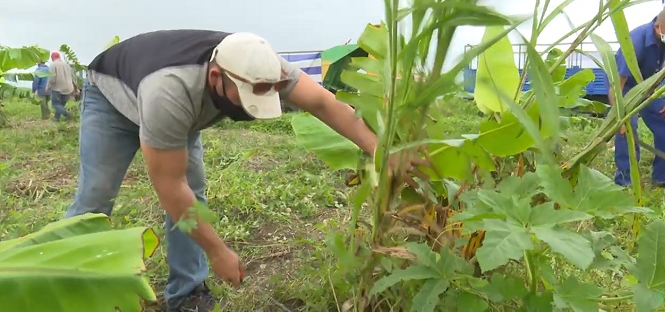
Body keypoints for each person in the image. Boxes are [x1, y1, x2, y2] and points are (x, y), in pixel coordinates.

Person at [63, 30, 427, 312]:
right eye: (248, 96)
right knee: (98, 195)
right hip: (113, 97)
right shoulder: (169, 92)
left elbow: (323, 103)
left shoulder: (264, 66)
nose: (256, 107)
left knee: (195, 194)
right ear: (217, 77)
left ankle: (187, 293)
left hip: (178, 106)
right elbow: (170, 188)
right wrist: (218, 251)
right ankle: (62, 278)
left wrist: (382, 151)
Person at [613, 7, 665, 190]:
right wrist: (619, 117)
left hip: (653, 82)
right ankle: (626, 180)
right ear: (657, 27)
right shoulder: (635, 42)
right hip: (625, 86)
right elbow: (617, 83)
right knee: (627, 128)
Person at [45, 51, 78, 122]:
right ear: (59, 57)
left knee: (55, 104)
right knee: (61, 105)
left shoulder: (53, 65)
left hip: (58, 88)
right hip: (68, 88)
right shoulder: (67, 65)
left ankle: (67, 114)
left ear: (52, 58)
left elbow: (52, 78)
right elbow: (73, 77)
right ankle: (56, 119)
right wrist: (74, 88)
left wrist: (48, 86)